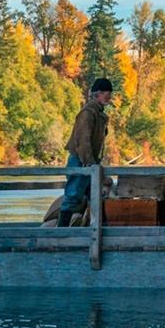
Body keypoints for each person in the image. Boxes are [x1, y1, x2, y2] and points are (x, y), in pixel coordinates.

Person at [58, 78, 112, 227]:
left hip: (89, 162)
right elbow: (83, 142)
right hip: (81, 161)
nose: (109, 98)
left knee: (94, 196)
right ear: (99, 94)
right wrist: (91, 165)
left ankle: (97, 228)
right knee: (73, 196)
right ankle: (59, 233)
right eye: (107, 95)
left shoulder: (98, 113)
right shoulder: (87, 113)